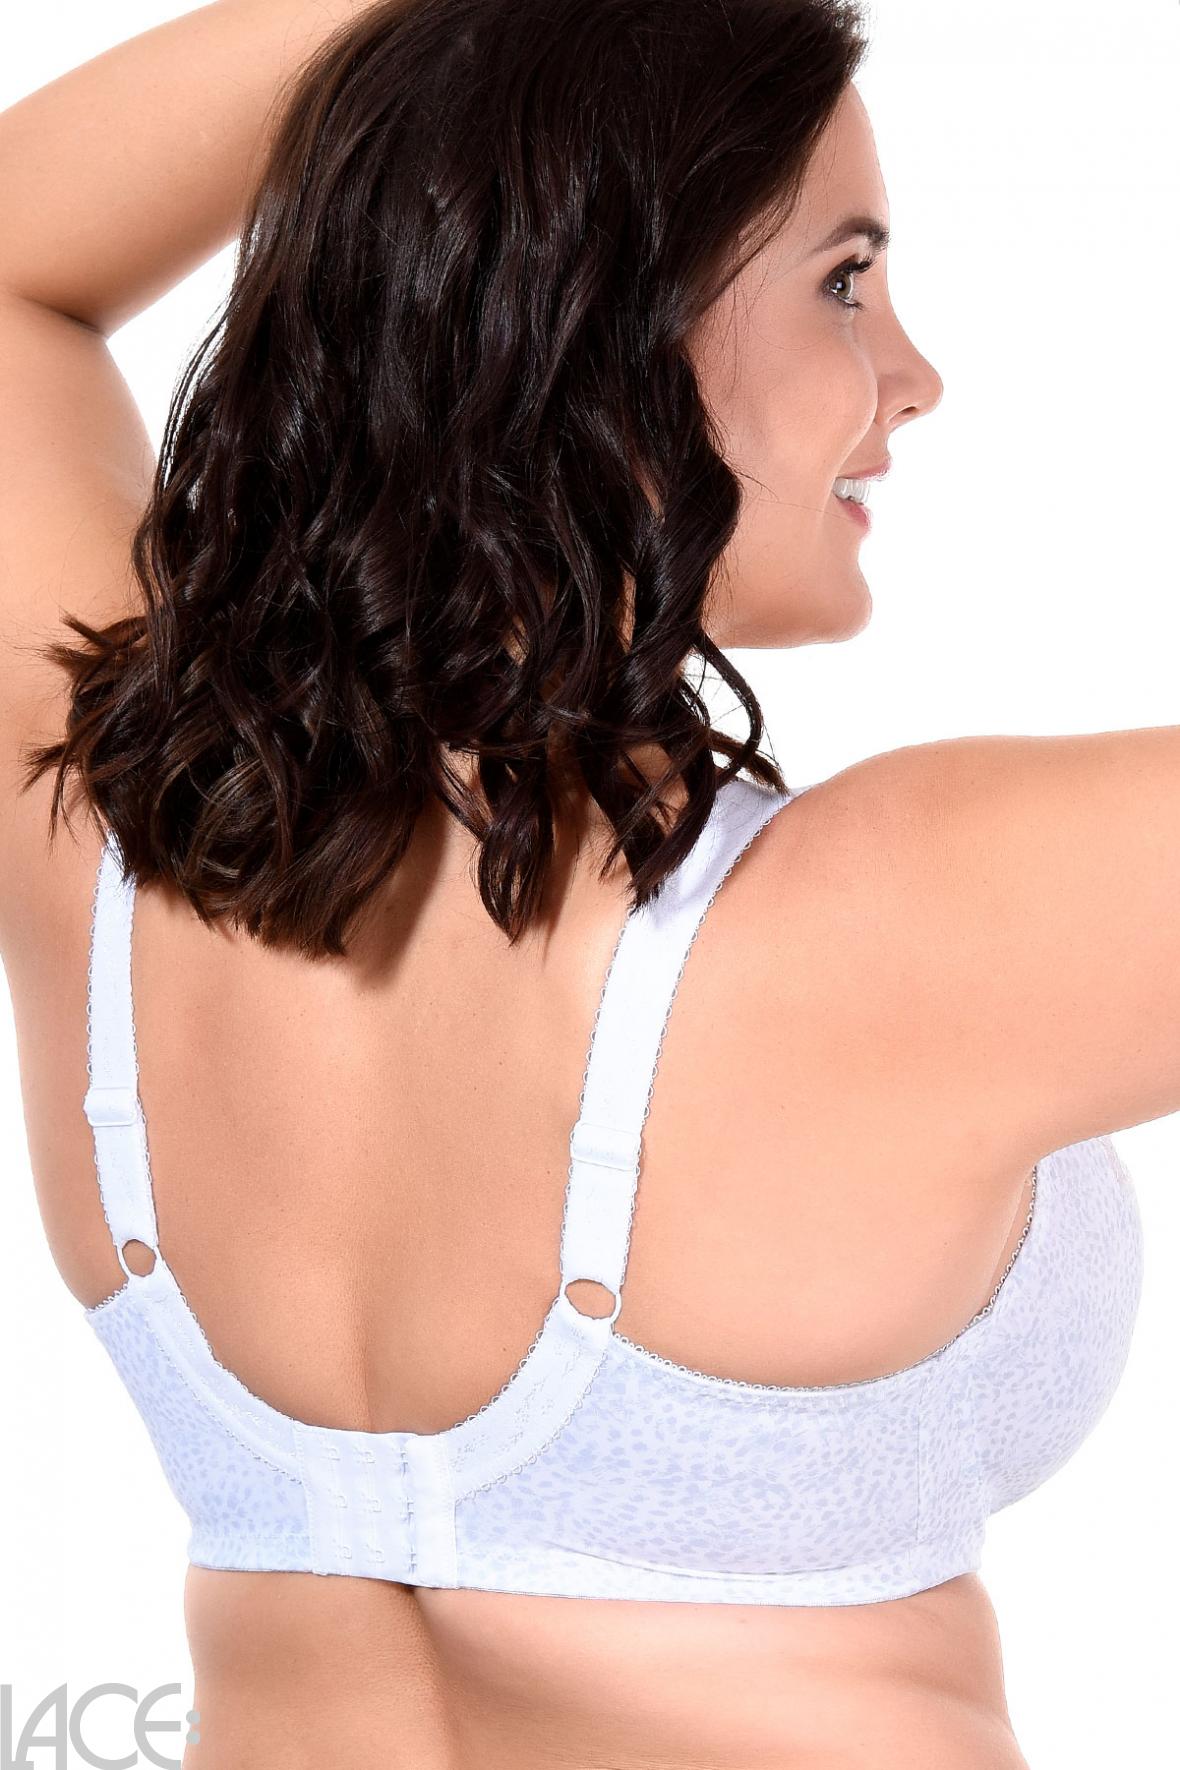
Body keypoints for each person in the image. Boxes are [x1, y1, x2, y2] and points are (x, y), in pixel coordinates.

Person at [0, 2, 1161, 1766]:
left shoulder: (105, 844)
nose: (914, 372)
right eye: (845, 283)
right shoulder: (890, 917)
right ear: (595, 329)